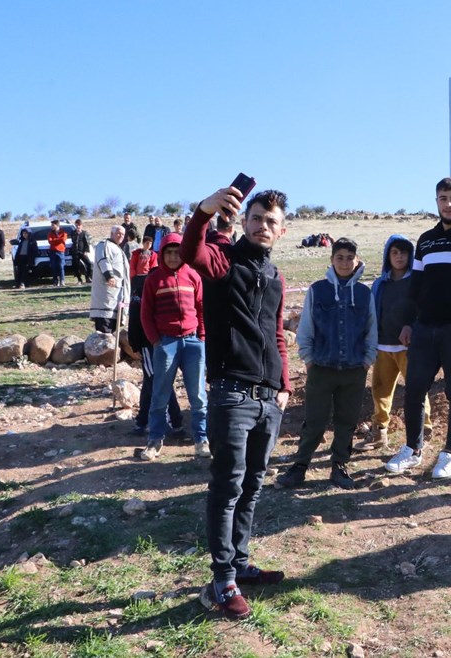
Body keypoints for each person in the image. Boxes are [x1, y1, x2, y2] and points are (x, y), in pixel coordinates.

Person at [181, 185, 292, 621]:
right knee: (227, 487)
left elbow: (277, 334)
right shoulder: (222, 260)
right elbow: (192, 251)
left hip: (269, 399)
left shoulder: (277, 276)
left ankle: (241, 564)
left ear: (283, 230)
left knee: (253, 485)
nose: (263, 226)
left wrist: (283, 385)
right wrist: (204, 211)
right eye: (257, 218)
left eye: (272, 221)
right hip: (231, 393)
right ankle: (221, 580)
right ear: (245, 220)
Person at [385, 177, 451, 479]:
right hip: (424, 329)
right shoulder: (426, 240)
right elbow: (415, 286)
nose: (448, 203)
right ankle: (412, 449)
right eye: (443, 198)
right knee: (414, 390)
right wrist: (408, 322)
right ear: (436, 201)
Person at [277, 238, 376, 490]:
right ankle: (300, 467)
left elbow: (371, 329)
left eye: (349, 258)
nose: (344, 262)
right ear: (331, 259)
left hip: (354, 370)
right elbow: (306, 327)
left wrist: (367, 361)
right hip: (321, 368)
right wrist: (309, 360)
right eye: (339, 257)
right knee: (314, 420)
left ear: (357, 260)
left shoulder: (365, 293)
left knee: (347, 420)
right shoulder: (317, 289)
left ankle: (339, 466)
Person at [354, 234, 433, 452]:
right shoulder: (380, 283)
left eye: (404, 252)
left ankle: (423, 432)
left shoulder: (418, 281)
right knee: (379, 391)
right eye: (394, 252)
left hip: (410, 348)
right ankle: (379, 433)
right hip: (383, 347)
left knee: (417, 391)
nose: (399, 257)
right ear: (388, 256)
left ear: (411, 255)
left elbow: (424, 311)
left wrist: (415, 330)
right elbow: (371, 313)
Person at [139, 233, 209, 461]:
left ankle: (201, 439)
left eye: (177, 252)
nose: (172, 257)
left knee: (198, 396)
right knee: (160, 394)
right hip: (166, 343)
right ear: (162, 255)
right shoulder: (154, 280)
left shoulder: (193, 276)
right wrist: (156, 341)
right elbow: (146, 314)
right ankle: (155, 440)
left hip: (192, 342)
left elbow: (201, 308)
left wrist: (201, 336)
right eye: (168, 252)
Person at [127, 271, 186, 441]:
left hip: (155, 344)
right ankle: (148, 422)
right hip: (153, 343)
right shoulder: (144, 292)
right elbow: (136, 322)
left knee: (156, 382)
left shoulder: (148, 290)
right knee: (154, 381)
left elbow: (135, 322)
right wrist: (135, 344)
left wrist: (136, 344)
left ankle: (172, 423)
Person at [90, 225, 130, 333]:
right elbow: (103, 260)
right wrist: (110, 276)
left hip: (116, 296)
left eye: (122, 234)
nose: (121, 236)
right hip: (106, 296)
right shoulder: (104, 245)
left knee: (112, 332)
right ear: (111, 234)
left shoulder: (118, 249)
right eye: (118, 233)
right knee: (104, 332)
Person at [47, 219, 68, 287]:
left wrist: (55, 240)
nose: (51, 226)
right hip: (52, 252)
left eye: (53, 225)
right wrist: (58, 240)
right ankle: (55, 281)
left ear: (57, 225)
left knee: (61, 266)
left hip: (61, 251)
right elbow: (50, 241)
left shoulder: (63, 233)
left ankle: (62, 281)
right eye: (51, 225)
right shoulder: (50, 233)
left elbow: (63, 239)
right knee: (53, 267)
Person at [72, 219, 94, 284]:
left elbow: (87, 242)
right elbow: (73, 241)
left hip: (83, 252)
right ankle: (79, 279)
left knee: (89, 264)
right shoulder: (73, 233)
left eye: (79, 225)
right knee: (76, 266)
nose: (78, 227)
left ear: (81, 226)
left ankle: (88, 277)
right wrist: (77, 234)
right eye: (76, 225)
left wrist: (86, 251)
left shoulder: (84, 233)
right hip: (75, 252)